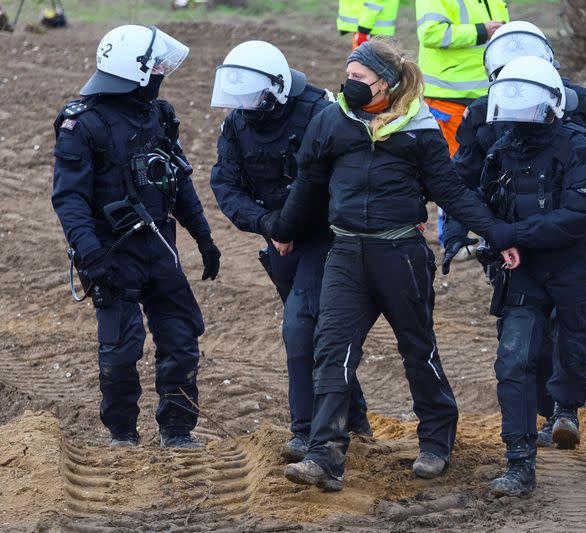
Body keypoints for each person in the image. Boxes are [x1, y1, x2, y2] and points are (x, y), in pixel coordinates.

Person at [271, 39, 516, 491]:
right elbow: (307, 186)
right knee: (332, 349)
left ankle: (436, 441)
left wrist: (497, 233)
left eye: (360, 78)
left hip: (400, 253)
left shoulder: (420, 128)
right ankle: (325, 455)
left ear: (386, 82)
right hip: (345, 254)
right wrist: (283, 229)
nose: (350, 85)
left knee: (417, 349)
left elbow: (451, 191)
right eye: (348, 76)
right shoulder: (331, 121)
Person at [445, 20, 586, 450]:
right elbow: (463, 180)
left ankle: (569, 411)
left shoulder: (580, 108)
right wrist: (457, 234)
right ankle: (542, 423)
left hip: (567, 247)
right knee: (523, 349)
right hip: (514, 255)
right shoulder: (482, 113)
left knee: (579, 346)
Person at [52, 25, 221, 448]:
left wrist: (203, 237)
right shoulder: (82, 124)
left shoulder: (159, 115)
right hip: (112, 255)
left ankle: (178, 431)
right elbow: (69, 198)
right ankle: (123, 436)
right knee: (122, 351)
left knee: (182, 339)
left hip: (159, 248)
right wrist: (91, 257)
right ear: (136, 71)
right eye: (156, 66)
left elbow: (178, 184)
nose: (163, 72)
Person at [481, 56, 586, 496]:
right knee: (513, 362)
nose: (519, 119)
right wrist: (484, 235)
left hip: (573, 268)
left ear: (551, 105)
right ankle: (519, 464)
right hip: (523, 273)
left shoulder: (577, 146)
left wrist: (508, 233)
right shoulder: (500, 149)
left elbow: (578, 215)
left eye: (528, 109)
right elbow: (481, 199)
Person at [209, 40, 371, 462]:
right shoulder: (237, 124)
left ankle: (305, 432)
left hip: (326, 237)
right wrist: (267, 225)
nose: (245, 105)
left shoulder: (322, 113)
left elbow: (344, 181)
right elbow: (225, 185)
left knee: (300, 327)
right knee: (318, 332)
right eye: (238, 96)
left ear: (278, 88)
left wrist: (290, 224)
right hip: (280, 240)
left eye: (253, 96)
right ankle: (354, 419)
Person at [416, 0, 509, 247]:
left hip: (488, 94)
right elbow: (430, 33)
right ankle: (452, 238)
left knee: (487, 165)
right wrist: (482, 31)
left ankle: (483, 227)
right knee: (456, 170)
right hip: (450, 95)